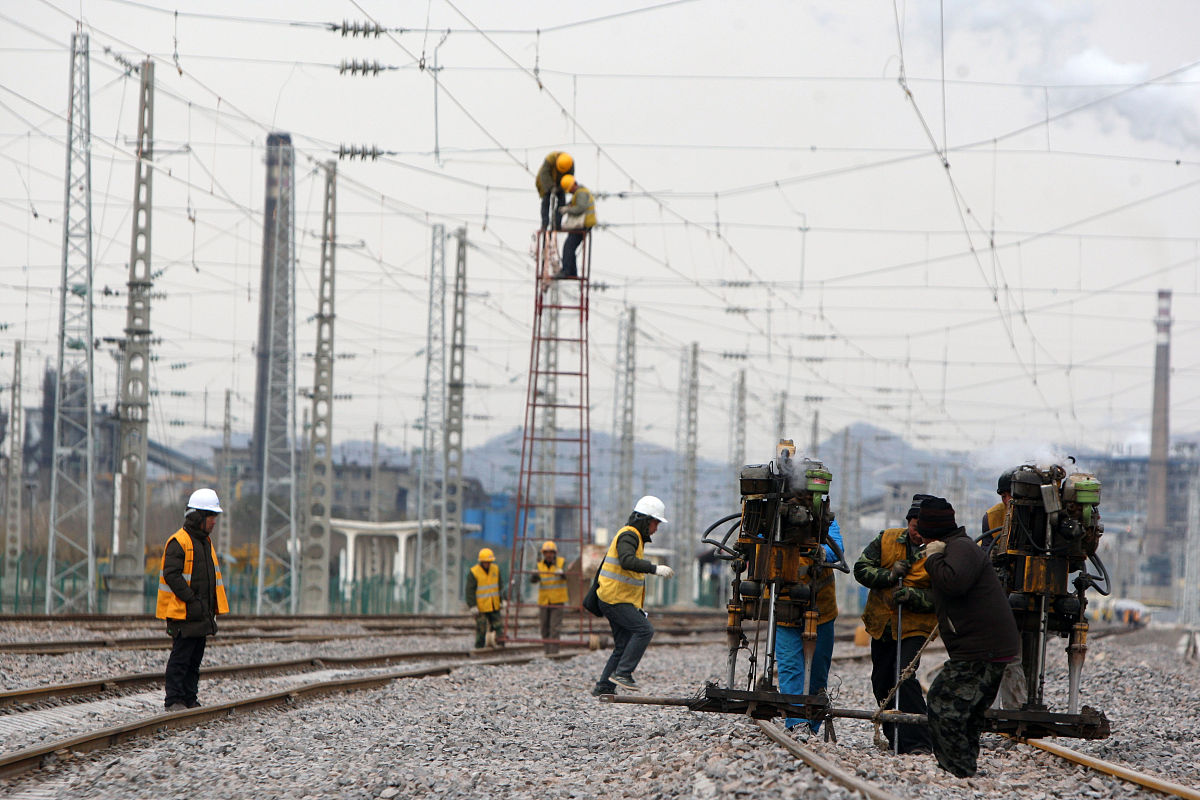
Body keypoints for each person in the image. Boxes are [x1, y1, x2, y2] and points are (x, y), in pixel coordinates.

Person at [917, 496, 1020, 778]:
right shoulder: (958, 547)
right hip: (988, 646)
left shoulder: (959, 549)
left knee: (942, 702)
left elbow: (954, 582)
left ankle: (957, 770)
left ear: (930, 530)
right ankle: (964, 769)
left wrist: (934, 557)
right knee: (969, 711)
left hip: (981, 649)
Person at [853, 494, 936, 755]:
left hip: (915, 626)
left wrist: (914, 596)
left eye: (924, 530)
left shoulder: (939, 550)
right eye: (915, 527)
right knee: (882, 680)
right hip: (883, 624)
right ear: (908, 522)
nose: (918, 534)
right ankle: (894, 735)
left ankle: (920, 741)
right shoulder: (886, 539)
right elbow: (861, 569)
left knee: (904, 676)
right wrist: (888, 576)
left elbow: (943, 596)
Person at [591, 495, 675, 696]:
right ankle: (623, 673)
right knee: (644, 630)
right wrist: (654, 568)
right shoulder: (629, 535)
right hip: (615, 599)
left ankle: (604, 686)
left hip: (615, 598)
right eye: (656, 523)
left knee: (623, 644)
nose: (656, 528)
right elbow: (627, 561)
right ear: (645, 520)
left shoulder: (634, 537)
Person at [156, 488, 229, 712]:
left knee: (194, 661)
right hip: (183, 613)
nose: (214, 522)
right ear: (198, 517)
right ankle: (174, 701)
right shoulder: (179, 542)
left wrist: (206, 609)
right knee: (181, 660)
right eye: (211, 517)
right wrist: (191, 600)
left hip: (199, 614)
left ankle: (189, 699)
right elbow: (171, 574)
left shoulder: (205, 543)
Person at [776, 517, 843, 735]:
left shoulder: (825, 521)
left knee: (817, 670)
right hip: (784, 605)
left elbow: (836, 550)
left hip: (820, 607)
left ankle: (812, 723)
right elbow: (755, 545)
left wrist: (820, 552)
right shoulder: (769, 520)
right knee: (790, 666)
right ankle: (796, 722)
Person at [555, 174, 596, 279]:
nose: (570, 192)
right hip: (582, 226)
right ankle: (571, 271)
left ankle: (567, 271)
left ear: (573, 185)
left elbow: (580, 208)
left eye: (569, 190)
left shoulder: (581, 193)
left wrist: (567, 210)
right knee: (570, 247)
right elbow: (575, 204)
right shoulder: (580, 192)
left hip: (583, 225)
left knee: (568, 247)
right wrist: (566, 207)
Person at [530, 539, 567, 654]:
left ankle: (553, 653)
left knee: (554, 628)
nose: (549, 555)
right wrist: (534, 576)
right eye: (546, 552)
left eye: (551, 552)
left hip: (557, 600)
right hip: (544, 600)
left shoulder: (562, 563)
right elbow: (533, 581)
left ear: (555, 553)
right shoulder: (539, 565)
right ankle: (547, 652)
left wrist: (563, 574)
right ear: (543, 554)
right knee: (544, 628)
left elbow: (569, 576)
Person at [466, 547, 504, 648]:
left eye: (489, 562)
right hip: (481, 606)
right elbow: (469, 591)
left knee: (498, 626)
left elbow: (500, 586)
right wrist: (472, 605)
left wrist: (503, 600)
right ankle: (479, 647)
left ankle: (500, 644)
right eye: (485, 562)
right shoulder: (474, 572)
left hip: (494, 605)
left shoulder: (495, 569)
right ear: (481, 562)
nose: (487, 564)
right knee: (481, 627)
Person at [535, 151, 574, 231]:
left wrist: (560, 188)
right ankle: (545, 224)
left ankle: (557, 224)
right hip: (546, 181)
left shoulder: (570, 164)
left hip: (561, 183)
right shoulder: (550, 160)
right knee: (546, 200)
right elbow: (544, 175)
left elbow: (570, 178)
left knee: (562, 201)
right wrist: (551, 186)